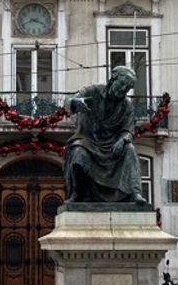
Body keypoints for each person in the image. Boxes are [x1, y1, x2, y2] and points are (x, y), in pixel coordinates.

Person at [63, 66, 146, 204]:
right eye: (121, 84)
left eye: (127, 88)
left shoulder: (127, 106)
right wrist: (75, 102)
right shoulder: (93, 91)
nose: (123, 90)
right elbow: (68, 101)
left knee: (129, 149)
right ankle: (77, 193)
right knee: (78, 153)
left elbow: (129, 130)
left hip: (112, 144)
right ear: (112, 80)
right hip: (87, 140)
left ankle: (136, 193)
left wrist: (123, 140)